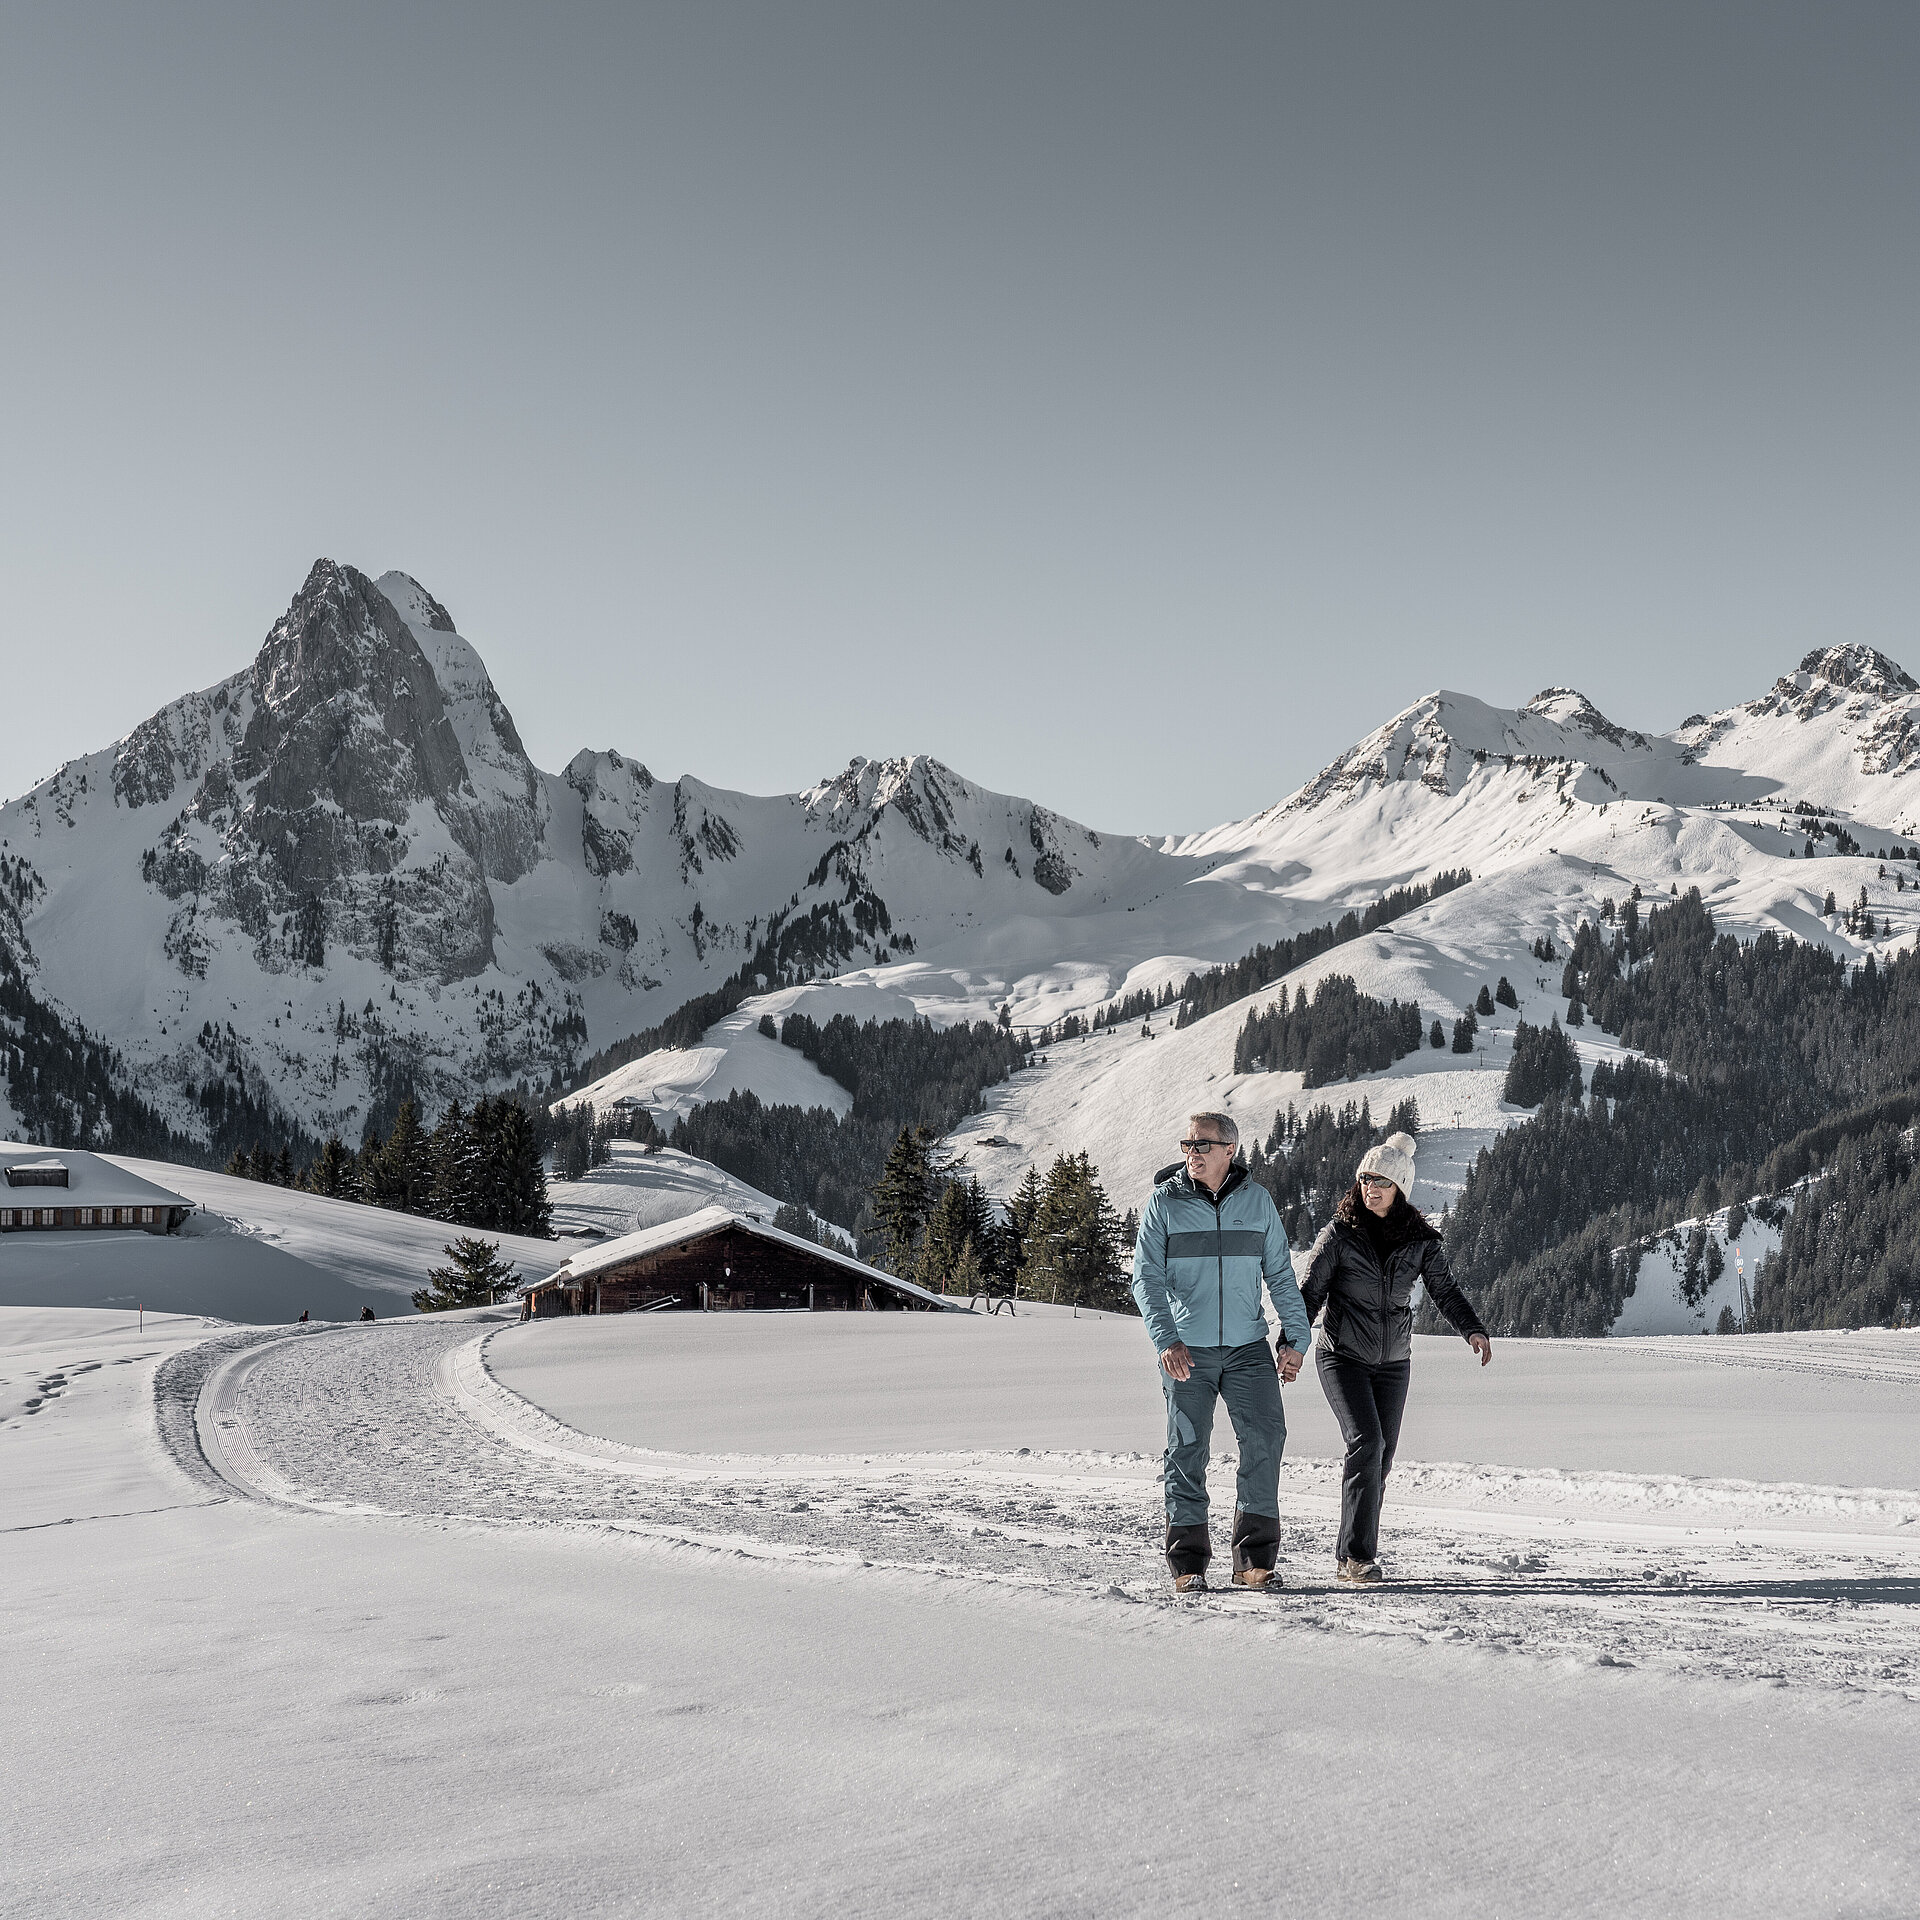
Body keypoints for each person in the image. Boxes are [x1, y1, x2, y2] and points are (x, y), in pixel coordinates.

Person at [1301, 1130, 1490, 1586]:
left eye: (1381, 1182)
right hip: (1341, 1356)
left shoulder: (1420, 1240)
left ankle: (1354, 1551)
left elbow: (1444, 1290)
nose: (1370, 1188)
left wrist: (1472, 1328)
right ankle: (1356, 1558)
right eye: (1365, 1180)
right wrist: (1290, 1345)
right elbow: (1309, 1294)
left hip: (1393, 1362)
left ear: (1399, 1188)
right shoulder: (1340, 1234)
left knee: (1381, 1459)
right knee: (1366, 1443)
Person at [1132, 1112, 1312, 1592]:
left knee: (1266, 1439)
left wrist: (1296, 1338)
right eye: (1188, 1142)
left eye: (1203, 1144)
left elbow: (1280, 1275)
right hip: (1186, 1349)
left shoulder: (1258, 1203)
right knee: (1187, 1449)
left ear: (1230, 1150)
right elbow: (1145, 1279)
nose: (1192, 1151)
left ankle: (1253, 1559)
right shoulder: (1163, 1204)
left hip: (1247, 1349)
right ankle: (1188, 1563)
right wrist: (1165, 1339)